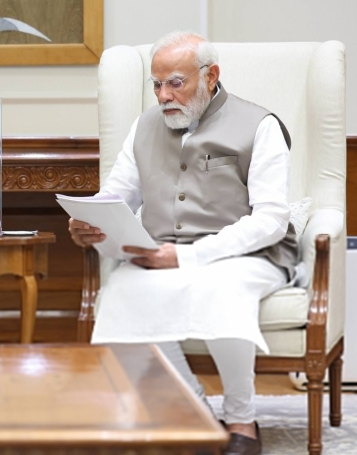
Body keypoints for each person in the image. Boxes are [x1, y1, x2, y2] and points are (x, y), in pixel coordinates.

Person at [68, 31, 298, 455]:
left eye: (175, 82)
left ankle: (242, 419)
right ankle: (193, 409)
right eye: (156, 84)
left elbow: (270, 220)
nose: (163, 95)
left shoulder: (260, 125)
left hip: (247, 253)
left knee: (221, 289)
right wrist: (91, 221)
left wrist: (190, 256)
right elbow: (117, 194)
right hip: (163, 251)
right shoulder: (144, 126)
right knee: (121, 292)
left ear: (211, 76)